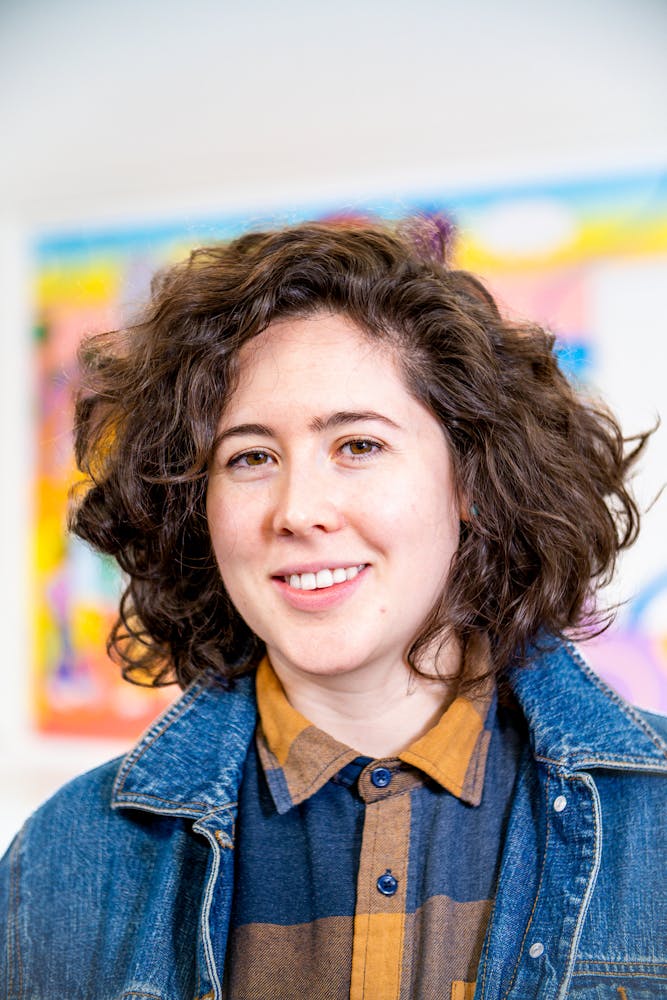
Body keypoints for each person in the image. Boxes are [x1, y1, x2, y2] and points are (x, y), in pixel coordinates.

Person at [1, 216, 666, 1000]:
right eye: (250, 457)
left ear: (472, 482)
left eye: (357, 446)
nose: (298, 510)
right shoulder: (65, 859)